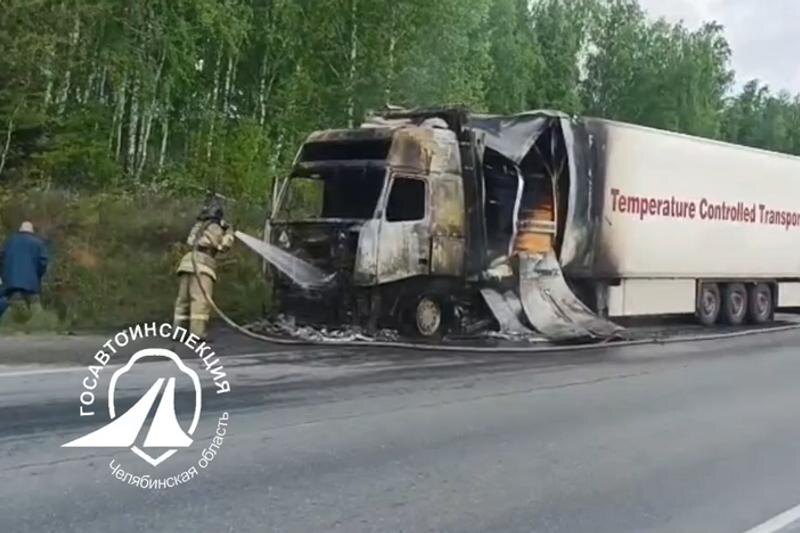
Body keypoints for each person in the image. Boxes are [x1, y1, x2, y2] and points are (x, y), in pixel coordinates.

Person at [173, 199, 235, 340]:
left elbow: (190, 241)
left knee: (183, 300)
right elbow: (223, 246)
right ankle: (197, 334)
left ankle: (178, 331)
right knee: (200, 300)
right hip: (202, 264)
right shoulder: (214, 227)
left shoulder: (198, 226)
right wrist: (229, 232)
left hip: (188, 261)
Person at [0, 221, 49, 321]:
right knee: (34, 304)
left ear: (20, 230)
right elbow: (43, 262)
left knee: (15, 303)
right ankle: (39, 324)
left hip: (12, 283)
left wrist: (5, 275)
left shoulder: (10, 242)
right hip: (31, 283)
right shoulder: (38, 243)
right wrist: (38, 275)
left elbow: (2, 259)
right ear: (31, 231)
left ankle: (18, 322)